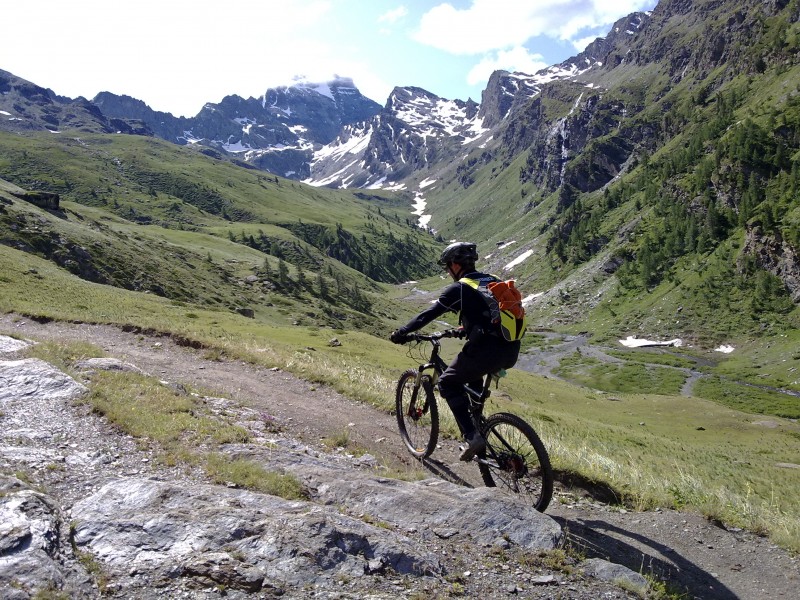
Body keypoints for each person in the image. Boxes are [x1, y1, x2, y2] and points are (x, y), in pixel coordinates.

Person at [390, 241, 521, 461]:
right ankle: (480, 428)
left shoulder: (460, 288)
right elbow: (488, 314)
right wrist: (465, 329)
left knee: (447, 383)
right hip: (510, 349)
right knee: (471, 382)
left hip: (485, 351)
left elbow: (428, 314)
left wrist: (402, 332)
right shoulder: (491, 281)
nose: (448, 271)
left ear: (454, 265)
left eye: (448, 266)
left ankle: (472, 436)